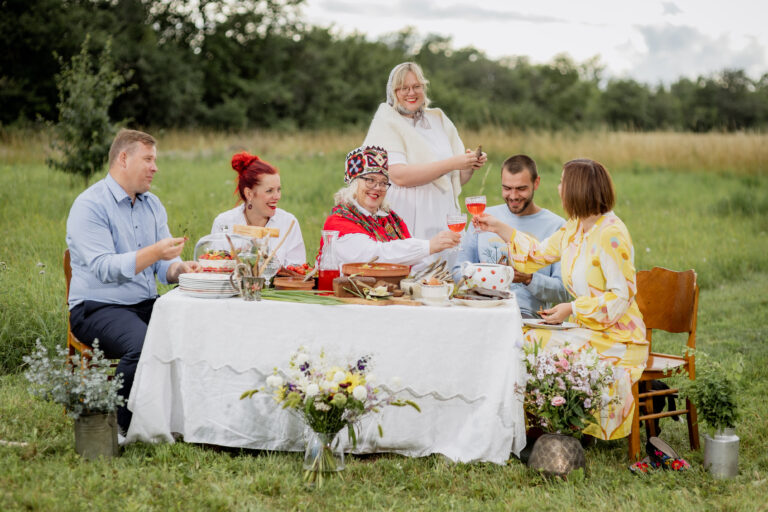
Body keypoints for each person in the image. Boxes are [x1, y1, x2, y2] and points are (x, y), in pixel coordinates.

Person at [473, 158, 647, 441]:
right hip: (587, 329)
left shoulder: (611, 233)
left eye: (563, 183)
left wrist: (571, 307)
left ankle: (550, 427)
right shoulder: (574, 228)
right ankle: (533, 425)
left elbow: (620, 297)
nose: (558, 188)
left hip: (619, 337)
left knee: (532, 344)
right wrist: (497, 226)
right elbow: (536, 255)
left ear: (577, 189)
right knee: (523, 337)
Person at [66, 129, 201, 435]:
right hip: (97, 307)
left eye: (155, 160)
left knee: (195, 330)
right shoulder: (89, 205)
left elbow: (164, 268)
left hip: (143, 304)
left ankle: (183, 421)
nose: (155, 167)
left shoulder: (152, 205)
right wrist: (153, 251)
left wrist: (182, 269)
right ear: (123, 159)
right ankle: (115, 428)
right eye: (149, 159)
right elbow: (103, 268)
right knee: (142, 344)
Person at [363, 62, 487, 246]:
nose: (411, 93)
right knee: (412, 270)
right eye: (403, 88)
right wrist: (453, 163)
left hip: (442, 214)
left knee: (442, 272)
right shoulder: (387, 123)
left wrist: (469, 165)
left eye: (416, 86)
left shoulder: (437, 120)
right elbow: (400, 176)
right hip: (407, 214)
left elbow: (453, 180)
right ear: (393, 92)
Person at [452, 155, 570, 318]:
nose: (513, 196)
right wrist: (489, 276)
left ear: (536, 183)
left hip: (526, 316)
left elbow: (563, 292)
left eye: (521, 188)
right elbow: (458, 270)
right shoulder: (484, 217)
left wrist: (529, 278)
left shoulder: (557, 225)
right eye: (507, 188)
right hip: (480, 311)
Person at [320, 146, 460, 266]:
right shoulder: (339, 220)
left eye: (383, 183)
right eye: (370, 180)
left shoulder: (390, 219)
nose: (377, 188)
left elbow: (412, 261)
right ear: (355, 183)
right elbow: (375, 255)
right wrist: (428, 246)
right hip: (345, 295)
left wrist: (426, 277)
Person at [211, 152, 306, 266]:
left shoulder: (289, 223)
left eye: (278, 189)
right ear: (249, 194)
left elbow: (297, 273)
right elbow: (215, 269)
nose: (277, 196)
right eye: (269, 191)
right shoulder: (223, 222)